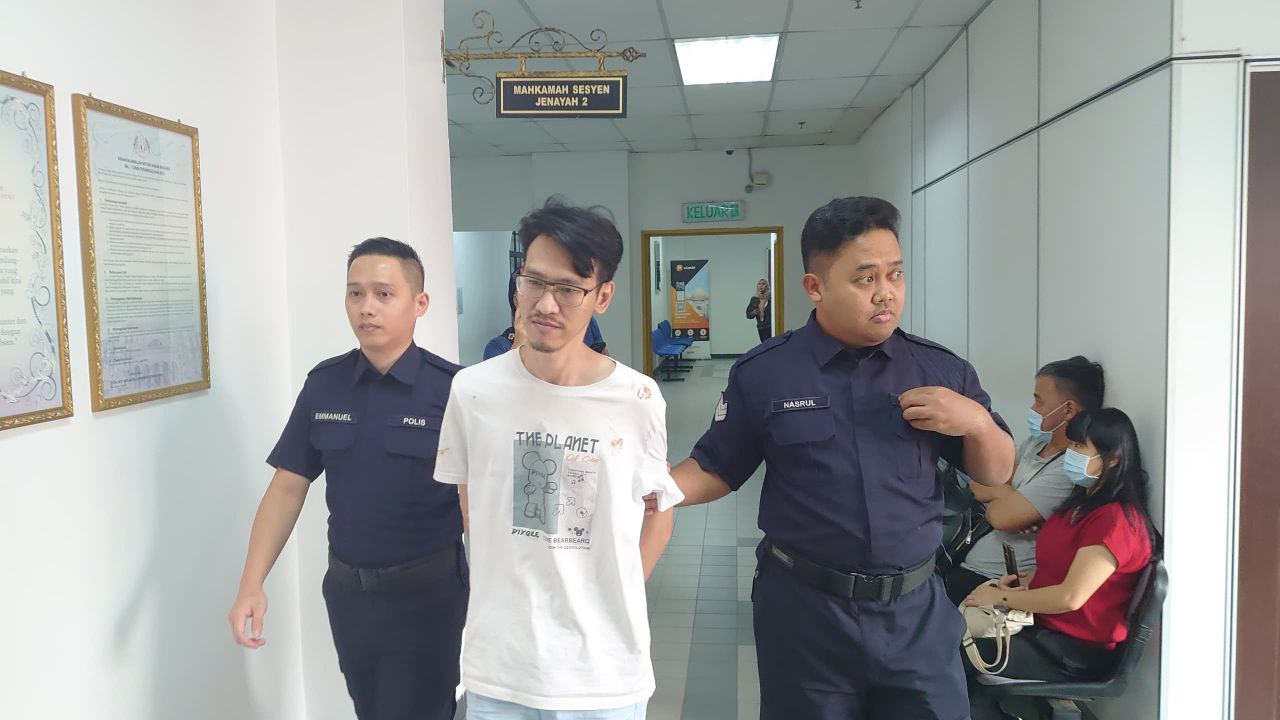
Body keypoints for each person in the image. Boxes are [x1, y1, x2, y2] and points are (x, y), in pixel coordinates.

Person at [666, 196, 1015, 719]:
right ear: (815, 286)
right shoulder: (767, 373)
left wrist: (978, 423)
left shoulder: (939, 370)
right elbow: (717, 466)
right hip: (806, 614)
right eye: (865, 278)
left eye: (895, 275)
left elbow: (997, 472)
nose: (886, 293)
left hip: (915, 614)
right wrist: (654, 486)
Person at [435, 199, 683, 718]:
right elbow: (469, 501)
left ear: (603, 296)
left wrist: (614, 594)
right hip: (501, 670)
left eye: (569, 289)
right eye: (533, 281)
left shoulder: (636, 399)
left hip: (604, 676)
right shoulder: (473, 391)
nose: (546, 304)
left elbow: (659, 513)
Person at [228, 238, 467, 720]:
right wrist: (252, 583)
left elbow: (475, 502)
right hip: (349, 594)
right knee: (371, 708)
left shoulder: (453, 389)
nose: (366, 307)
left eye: (383, 293)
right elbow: (288, 487)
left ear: (420, 303)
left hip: (427, 595)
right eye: (355, 293)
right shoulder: (326, 384)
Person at [962, 408, 1155, 720]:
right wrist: (1026, 582)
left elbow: (1070, 597)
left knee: (954, 654)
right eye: (1071, 445)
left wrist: (1001, 597)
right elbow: (1063, 568)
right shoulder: (1081, 504)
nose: (1071, 454)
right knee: (949, 641)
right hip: (1045, 630)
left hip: (1074, 650)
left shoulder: (1116, 521)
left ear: (1113, 458)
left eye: (1080, 447)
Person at [943, 356, 1106, 605]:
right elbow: (979, 482)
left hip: (997, 581)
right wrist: (1010, 496)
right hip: (967, 561)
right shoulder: (1036, 443)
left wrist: (1004, 497)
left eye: (1039, 400)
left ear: (1068, 410)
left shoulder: (1070, 469)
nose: (1033, 408)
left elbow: (1000, 517)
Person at [484, 275, 606, 360]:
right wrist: (519, 343)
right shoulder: (499, 346)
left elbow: (604, 360)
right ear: (515, 299)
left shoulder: (587, 323)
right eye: (531, 289)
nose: (545, 305)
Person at [746, 277, 773, 343]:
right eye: (759, 284)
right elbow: (748, 314)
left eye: (763, 284)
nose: (761, 286)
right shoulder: (754, 299)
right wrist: (753, 313)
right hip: (761, 327)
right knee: (764, 345)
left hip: (771, 326)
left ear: (767, 286)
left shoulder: (771, 298)